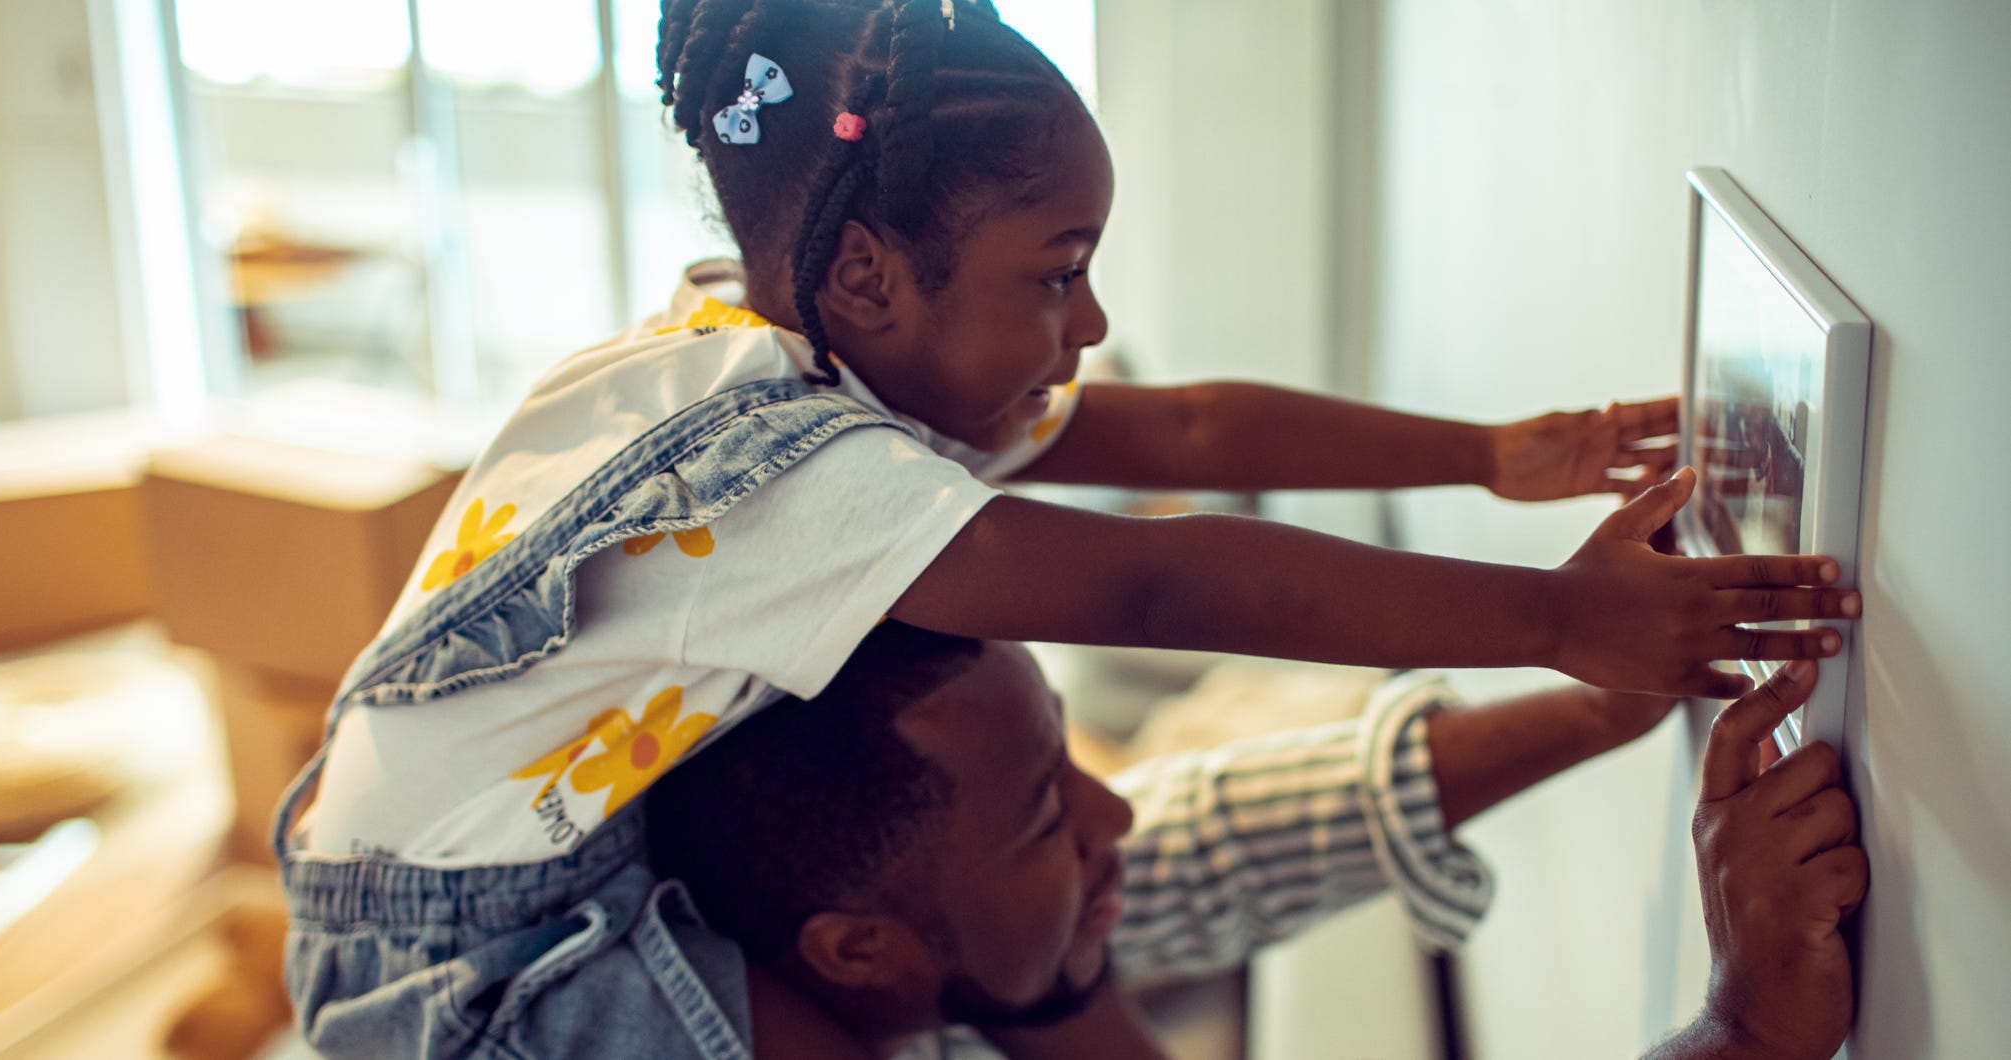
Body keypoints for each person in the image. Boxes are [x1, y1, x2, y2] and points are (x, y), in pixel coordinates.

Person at [275, 2, 1861, 1056]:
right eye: (1057, 269)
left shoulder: (792, 357)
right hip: (462, 970)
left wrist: (1493, 455)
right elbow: (1159, 570)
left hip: (481, 863)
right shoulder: (785, 477)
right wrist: (1549, 616)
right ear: (868, 279)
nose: (1091, 320)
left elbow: (1184, 437)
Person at [647, 623, 1867, 1060]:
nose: (1111, 809)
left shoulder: (934, 947)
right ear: (857, 951)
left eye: (1073, 758)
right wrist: (1746, 1032)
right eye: (1042, 811)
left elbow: (1208, 839)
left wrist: (1605, 707)